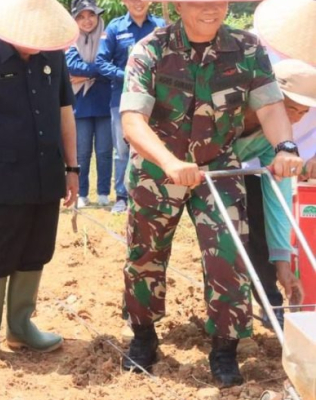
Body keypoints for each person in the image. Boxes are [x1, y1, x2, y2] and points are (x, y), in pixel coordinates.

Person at [119, 0, 303, 387]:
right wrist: (169, 163)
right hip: (158, 169)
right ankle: (144, 336)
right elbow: (133, 120)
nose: (211, 8)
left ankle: (224, 349)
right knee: (145, 254)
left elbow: (270, 106)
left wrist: (285, 147)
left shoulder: (247, 49)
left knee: (229, 253)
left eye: (219, 0)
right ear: (178, 5)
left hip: (219, 166)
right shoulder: (150, 49)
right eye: (200, 1)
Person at [0, 0, 79, 360]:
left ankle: (21, 326)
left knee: (37, 250)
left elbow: (65, 116)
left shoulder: (53, 60)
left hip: (46, 176)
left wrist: (72, 169)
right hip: (1, 179)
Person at [232, 59, 315, 329]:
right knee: (225, 232)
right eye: (291, 108)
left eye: (303, 112)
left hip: (230, 172)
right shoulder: (231, 107)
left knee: (257, 207)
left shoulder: (278, 140)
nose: (295, 118)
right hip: (182, 167)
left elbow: (277, 197)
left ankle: (270, 301)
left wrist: (282, 262)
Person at [95, 0, 165, 214]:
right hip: (122, 100)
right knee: (123, 150)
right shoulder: (115, 28)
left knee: (156, 146)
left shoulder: (160, 26)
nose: (138, 3)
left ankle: (156, 196)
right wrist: (129, 76)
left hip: (157, 100)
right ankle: (122, 197)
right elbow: (100, 61)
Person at [66, 0, 112, 208]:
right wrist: (98, 70)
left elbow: (110, 67)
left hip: (105, 102)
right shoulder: (70, 40)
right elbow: (71, 65)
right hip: (80, 105)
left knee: (104, 150)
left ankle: (103, 192)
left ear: (97, 17)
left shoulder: (107, 37)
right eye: (81, 17)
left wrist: (85, 75)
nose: (87, 21)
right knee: (81, 151)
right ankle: (82, 192)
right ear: (75, 20)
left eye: (90, 15)